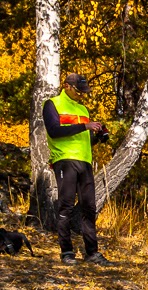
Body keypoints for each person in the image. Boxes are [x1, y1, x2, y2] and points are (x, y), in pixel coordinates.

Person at [43, 73, 112, 266]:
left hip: (85, 161)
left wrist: (98, 136)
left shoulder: (83, 108)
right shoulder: (52, 104)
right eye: (79, 91)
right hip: (64, 160)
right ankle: (66, 252)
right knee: (65, 205)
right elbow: (54, 132)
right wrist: (85, 126)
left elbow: (83, 139)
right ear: (67, 86)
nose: (82, 95)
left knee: (89, 208)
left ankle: (92, 253)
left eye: (84, 91)